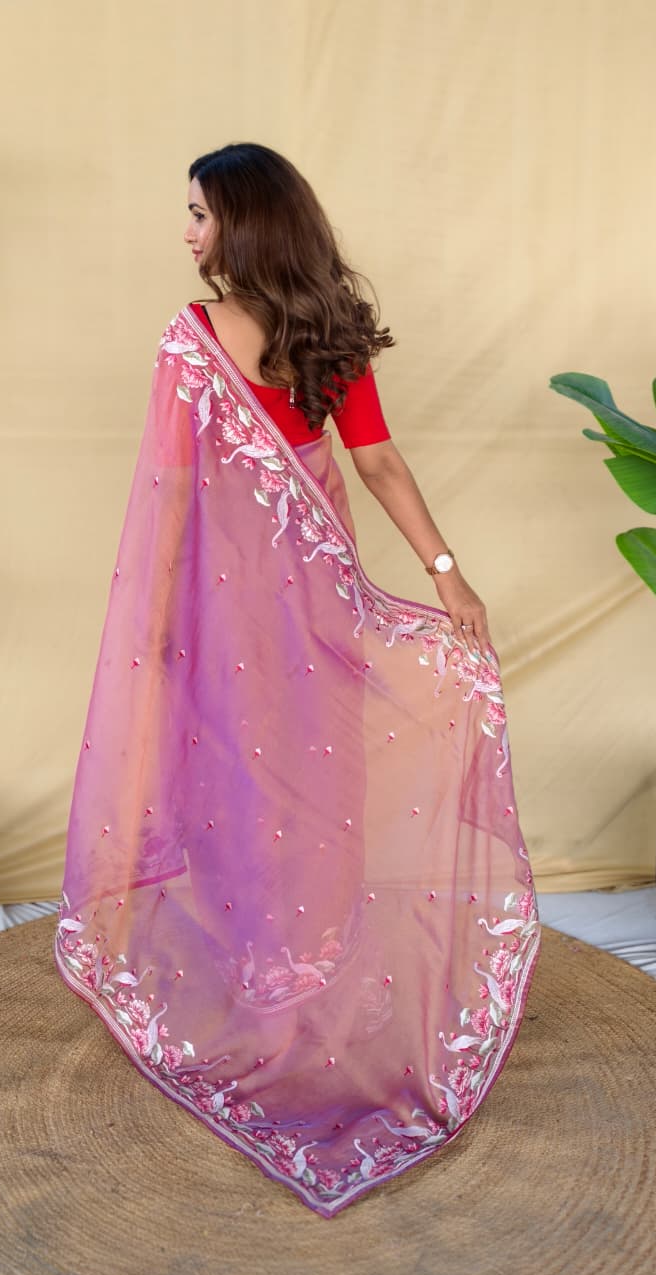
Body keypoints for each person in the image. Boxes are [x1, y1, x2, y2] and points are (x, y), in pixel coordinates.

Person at [55, 143, 540, 1218]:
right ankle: (303, 969)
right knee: (312, 782)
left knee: (246, 777)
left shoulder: (198, 339)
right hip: (311, 603)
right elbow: (376, 462)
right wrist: (446, 575)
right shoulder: (326, 328)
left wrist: (155, 623)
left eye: (198, 212)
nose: (186, 231)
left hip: (236, 609)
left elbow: (174, 493)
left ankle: (267, 979)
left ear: (245, 223)